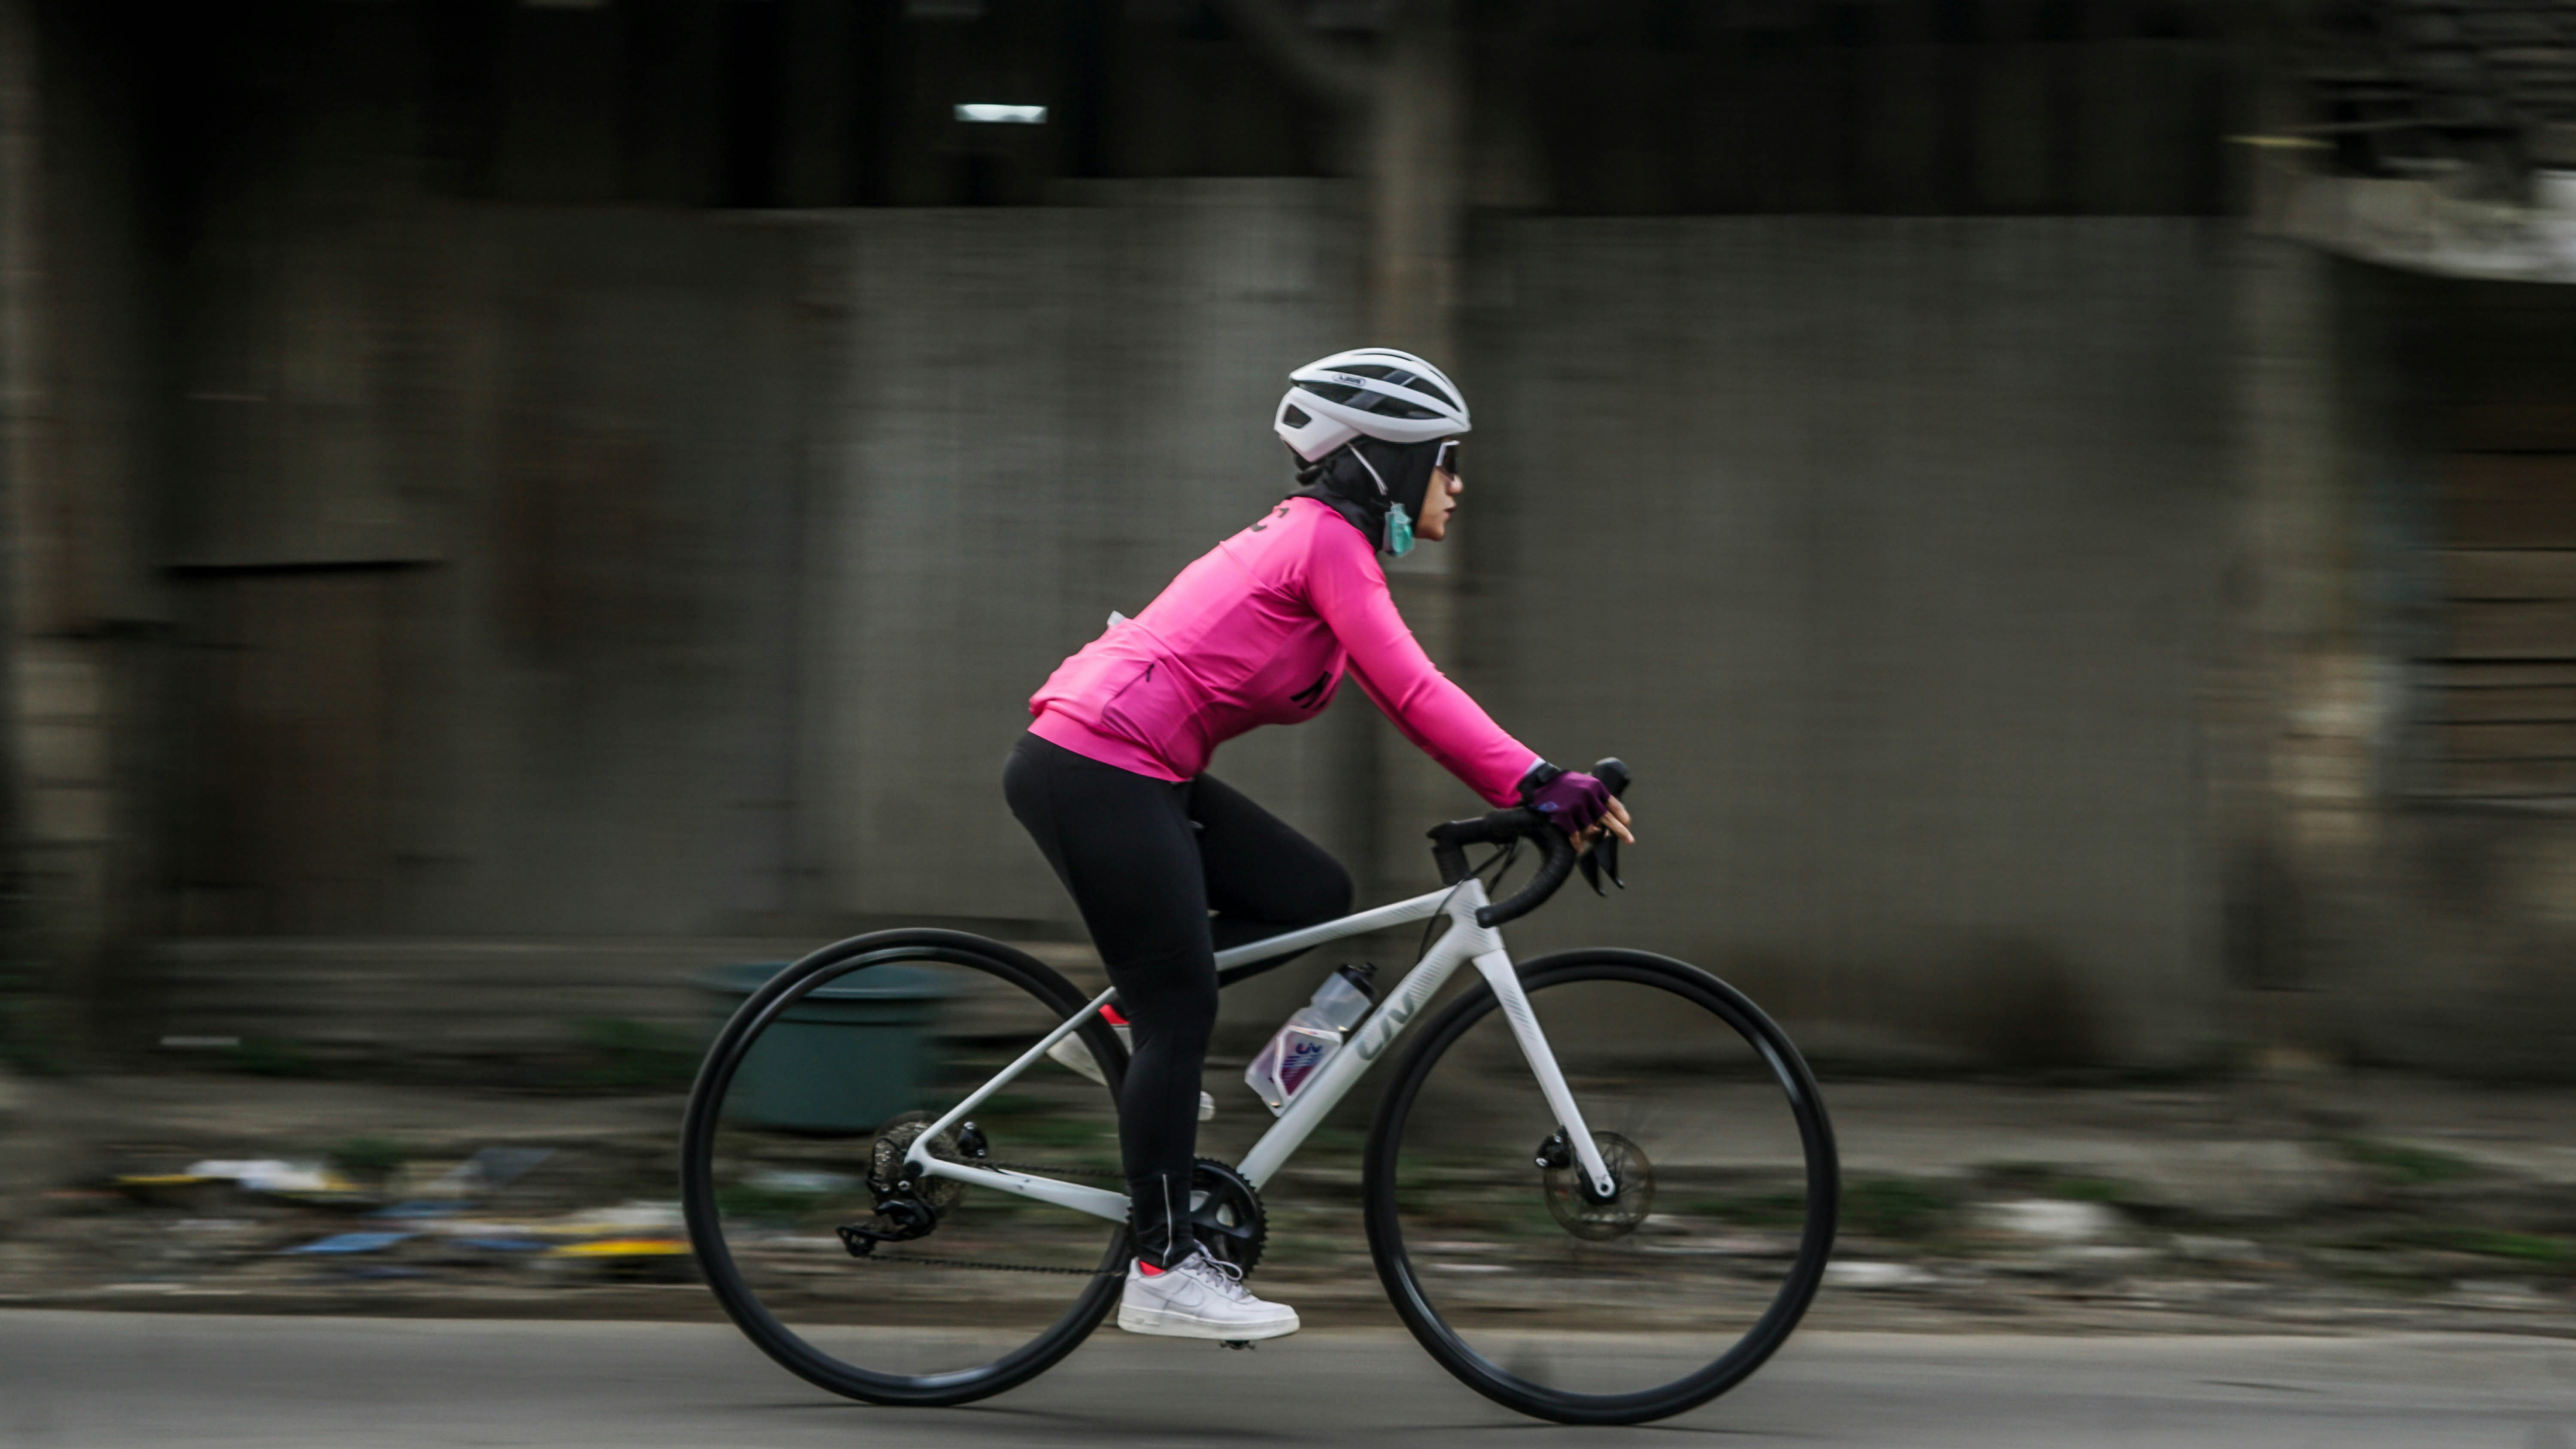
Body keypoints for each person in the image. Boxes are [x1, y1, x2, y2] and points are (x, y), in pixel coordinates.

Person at [1002, 348, 1635, 1342]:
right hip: (1096, 762)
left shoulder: (1329, 547)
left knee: (1310, 890)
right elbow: (1417, 695)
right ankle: (1165, 1266)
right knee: (1186, 1008)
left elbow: (1406, 693)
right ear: (1386, 459)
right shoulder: (1325, 544)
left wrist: (1531, 785)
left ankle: (1122, 1024)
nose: (1458, 484)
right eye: (1446, 460)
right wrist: (1539, 782)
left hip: (1131, 762)